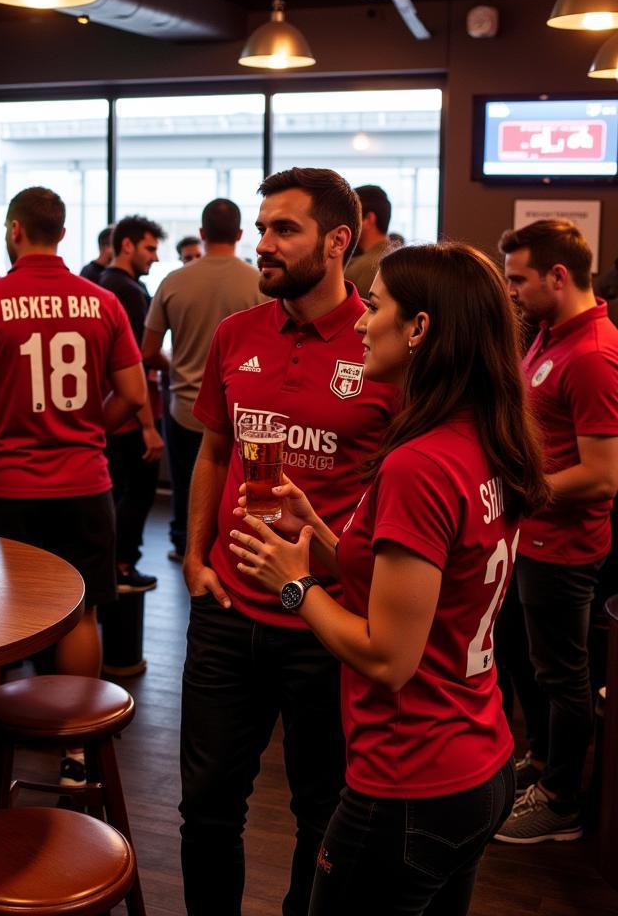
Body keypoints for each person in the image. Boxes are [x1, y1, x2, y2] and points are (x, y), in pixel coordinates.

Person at [229, 242, 546, 913]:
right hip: (478, 758)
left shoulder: (420, 464)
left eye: (375, 306)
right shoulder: (484, 436)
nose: (364, 323)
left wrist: (294, 585)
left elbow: (387, 656)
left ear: (420, 328)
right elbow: (420, 584)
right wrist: (314, 528)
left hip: (410, 779)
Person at [178, 170, 396, 916]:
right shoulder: (238, 333)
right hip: (227, 614)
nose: (263, 244)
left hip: (325, 623)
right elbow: (212, 450)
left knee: (321, 815)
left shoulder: (384, 346)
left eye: (284, 230)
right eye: (262, 227)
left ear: (340, 240)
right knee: (207, 812)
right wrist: (194, 556)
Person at [0, 186, 145, 786]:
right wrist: (89, 432)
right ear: (62, 233)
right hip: (84, 481)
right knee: (81, 611)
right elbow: (133, 396)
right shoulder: (103, 302)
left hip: (7, 481)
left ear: (13, 231)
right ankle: (77, 751)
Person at [495, 219, 618, 844]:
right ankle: (541, 763)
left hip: (565, 550)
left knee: (562, 676)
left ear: (558, 275)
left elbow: (601, 476)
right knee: (525, 663)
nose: (512, 291)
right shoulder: (548, 334)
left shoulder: (593, 354)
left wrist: (521, 490)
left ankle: (562, 800)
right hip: (530, 539)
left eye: (519, 279)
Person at [142, 197, 265, 564]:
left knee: (185, 486)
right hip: (239, 409)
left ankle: (184, 545)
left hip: (185, 406)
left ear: (201, 233)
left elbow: (148, 350)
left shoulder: (174, 281)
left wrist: (177, 365)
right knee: (238, 487)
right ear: (241, 234)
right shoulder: (258, 282)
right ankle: (229, 549)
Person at [99, 215, 166, 593]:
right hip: (130, 417)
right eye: (150, 248)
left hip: (123, 412)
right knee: (135, 495)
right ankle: (122, 565)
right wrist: (147, 426)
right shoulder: (123, 290)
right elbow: (134, 362)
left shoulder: (113, 285)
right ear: (127, 245)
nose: (155, 258)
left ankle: (120, 564)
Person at [344, 184, 392, 296]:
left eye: (351, 217)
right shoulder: (400, 260)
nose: (345, 223)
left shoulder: (364, 268)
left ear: (368, 219)